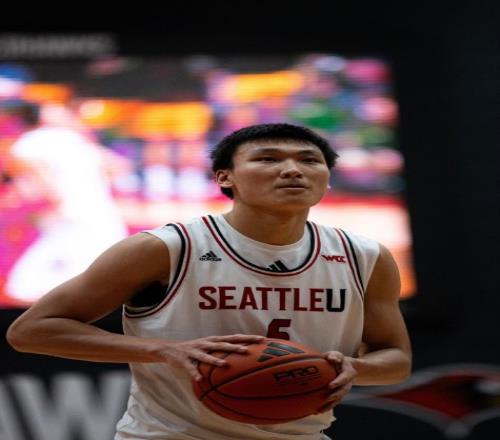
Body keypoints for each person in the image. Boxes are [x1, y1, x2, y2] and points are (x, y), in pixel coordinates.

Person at [7, 123, 412, 440]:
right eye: (267, 159)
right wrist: (163, 350)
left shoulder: (365, 256)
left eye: (309, 160)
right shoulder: (165, 248)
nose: (292, 169)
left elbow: (395, 358)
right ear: (225, 178)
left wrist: (352, 368)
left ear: (326, 178)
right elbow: (31, 330)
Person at [2, 100, 128, 302]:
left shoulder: (27, 143)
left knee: (24, 288)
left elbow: (45, 186)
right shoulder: (73, 139)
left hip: (69, 223)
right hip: (101, 217)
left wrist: (48, 202)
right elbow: (118, 166)